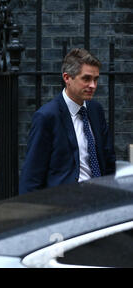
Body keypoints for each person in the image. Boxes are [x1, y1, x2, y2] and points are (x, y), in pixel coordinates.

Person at [19, 48, 116, 194]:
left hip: (99, 201)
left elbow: (108, 161)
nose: (93, 86)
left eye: (95, 79)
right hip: (65, 206)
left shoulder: (96, 110)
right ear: (67, 78)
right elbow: (32, 175)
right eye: (86, 79)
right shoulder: (47, 117)